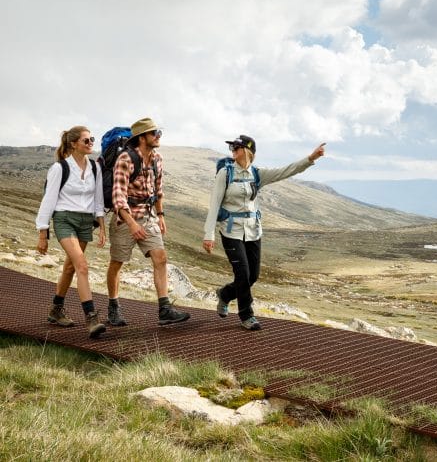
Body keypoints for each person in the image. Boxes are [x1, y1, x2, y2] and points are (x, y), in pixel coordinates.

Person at [202, 135, 325, 330]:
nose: (232, 149)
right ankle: (247, 315)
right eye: (231, 147)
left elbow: (286, 171)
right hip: (231, 231)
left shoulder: (257, 174)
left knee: (253, 276)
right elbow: (214, 204)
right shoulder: (225, 174)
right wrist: (208, 235)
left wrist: (310, 159)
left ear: (248, 151)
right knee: (242, 274)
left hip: (253, 230)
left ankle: (225, 294)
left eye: (236, 146)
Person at [106, 117, 190, 326]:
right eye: (155, 133)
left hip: (149, 216)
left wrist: (160, 216)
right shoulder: (125, 159)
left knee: (160, 258)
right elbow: (118, 196)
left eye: (159, 132)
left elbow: (158, 191)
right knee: (117, 263)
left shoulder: (157, 159)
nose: (159, 136)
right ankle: (113, 307)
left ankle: (164, 309)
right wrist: (132, 223)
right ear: (142, 138)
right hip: (124, 220)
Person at [36, 126, 107, 338]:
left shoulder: (95, 167)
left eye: (92, 139)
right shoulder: (60, 168)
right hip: (64, 219)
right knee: (82, 265)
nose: (90, 143)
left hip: (86, 221)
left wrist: (102, 226)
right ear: (74, 144)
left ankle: (56, 310)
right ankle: (92, 318)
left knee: (70, 268)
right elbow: (48, 200)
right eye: (86, 140)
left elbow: (98, 201)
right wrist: (43, 233)